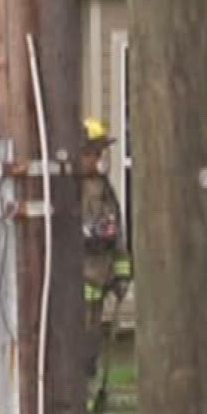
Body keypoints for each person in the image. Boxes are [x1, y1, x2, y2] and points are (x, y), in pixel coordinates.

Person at [80, 119, 131, 388]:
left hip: (99, 280)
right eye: (90, 153)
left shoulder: (104, 189)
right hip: (73, 284)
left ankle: (89, 391)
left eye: (98, 153)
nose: (96, 160)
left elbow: (118, 236)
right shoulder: (61, 189)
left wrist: (122, 276)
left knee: (91, 343)